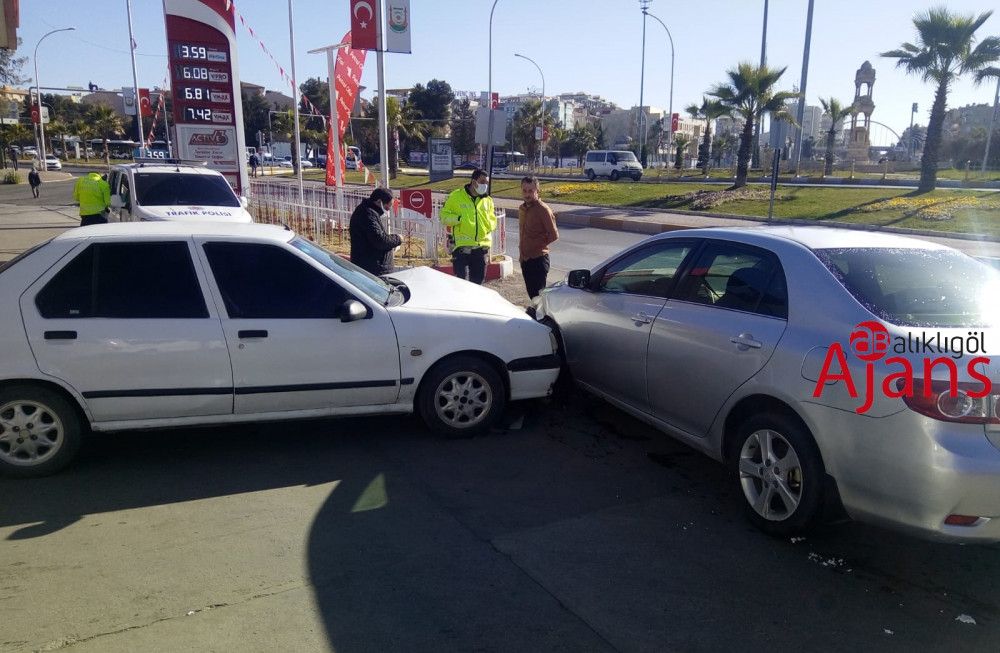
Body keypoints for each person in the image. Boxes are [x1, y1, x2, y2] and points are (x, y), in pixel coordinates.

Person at [439, 168, 496, 284]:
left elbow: (493, 220)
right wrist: (459, 219)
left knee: (478, 287)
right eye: (482, 182)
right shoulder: (455, 197)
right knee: (461, 285)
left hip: (481, 249)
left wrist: (487, 226)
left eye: (486, 183)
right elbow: (443, 217)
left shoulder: (487, 200)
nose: (485, 185)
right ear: (473, 182)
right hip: (462, 250)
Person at [517, 174, 559, 299]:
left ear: (538, 191)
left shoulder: (543, 209)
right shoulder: (522, 208)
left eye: (531, 191)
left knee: (539, 298)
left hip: (538, 260)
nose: (527, 194)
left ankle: (541, 319)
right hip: (525, 260)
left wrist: (538, 245)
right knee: (532, 297)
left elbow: (554, 235)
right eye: (524, 191)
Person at [349, 187, 402, 276]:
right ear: (379, 202)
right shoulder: (367, 214)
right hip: (371, 268)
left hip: (374, 266)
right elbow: (380, 240)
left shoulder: (370, 212)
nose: (387, 211)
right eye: (387, 208)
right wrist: (398, 239)